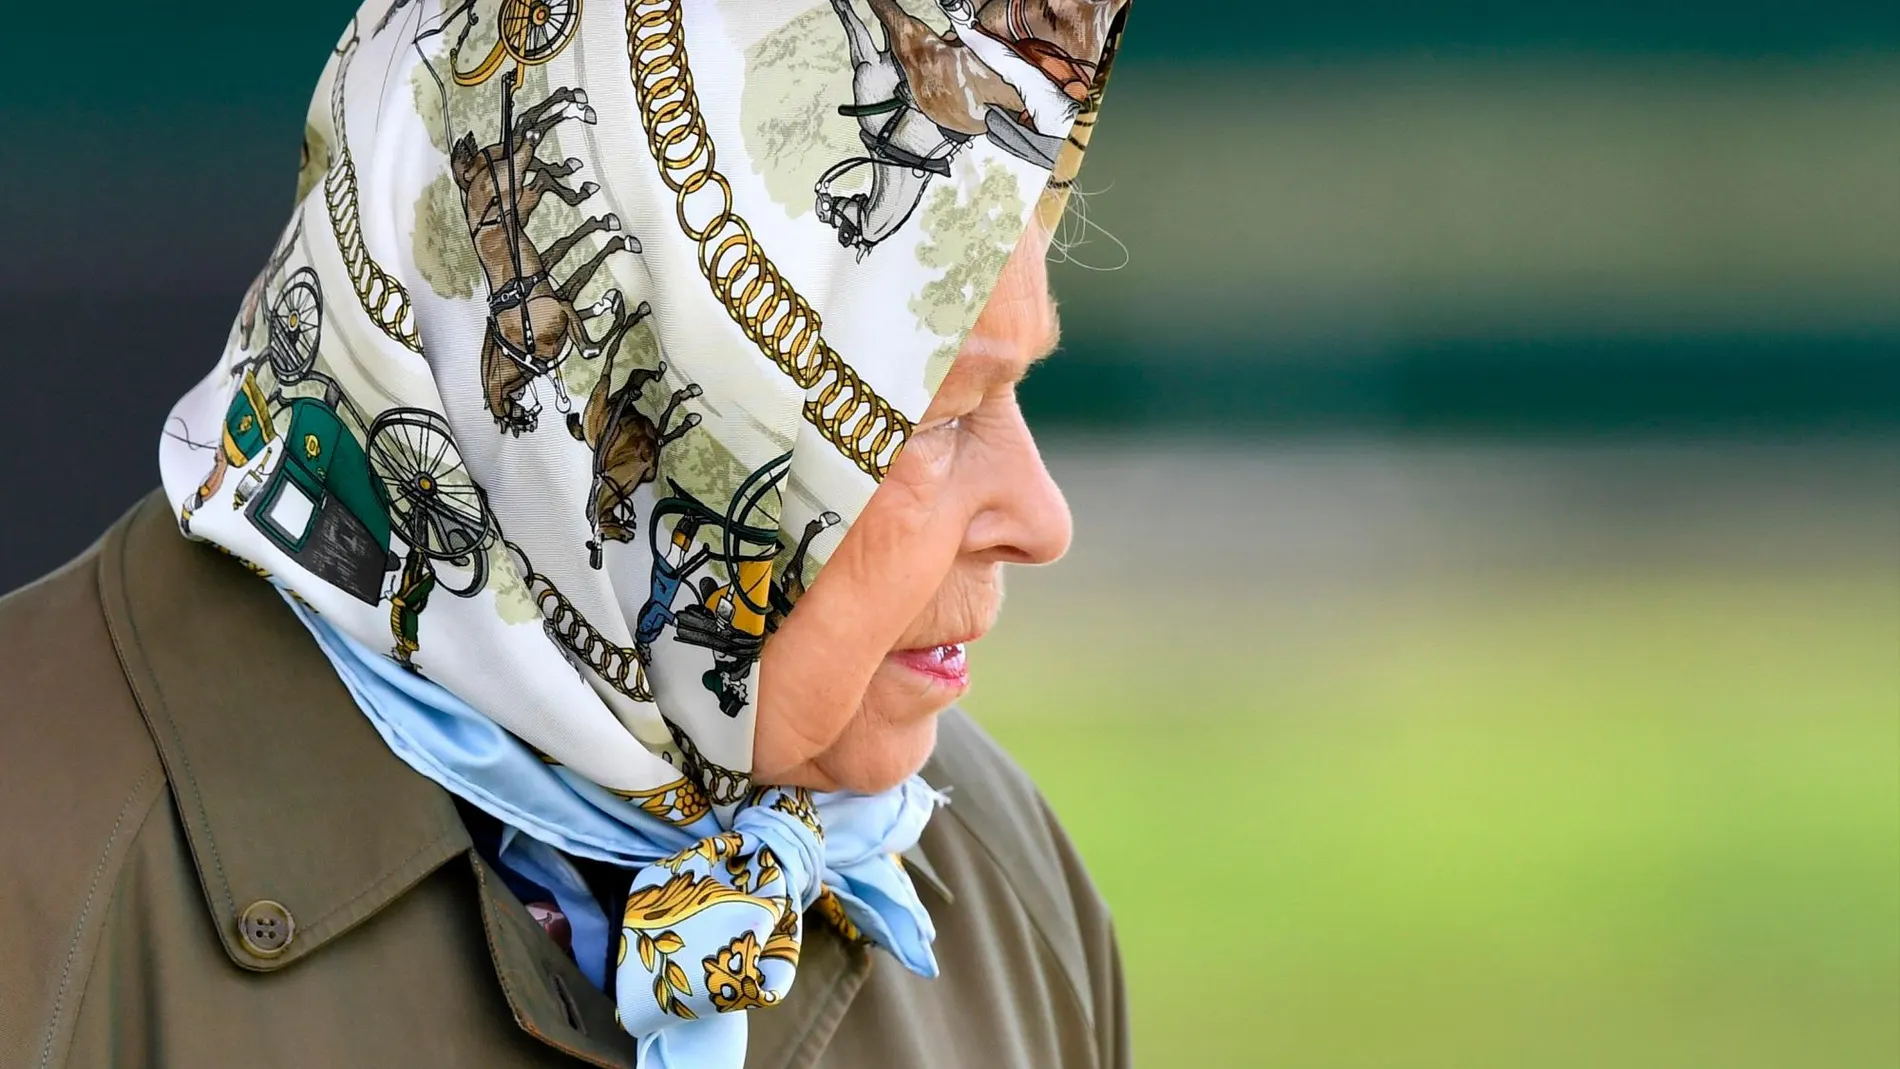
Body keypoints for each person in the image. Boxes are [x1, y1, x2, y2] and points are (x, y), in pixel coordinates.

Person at [0, 2, 1130, 1067]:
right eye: (929, 417)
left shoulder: (995, 889)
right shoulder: (42, 876)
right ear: (626, 375)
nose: (1039, 520)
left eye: (1016, 392)